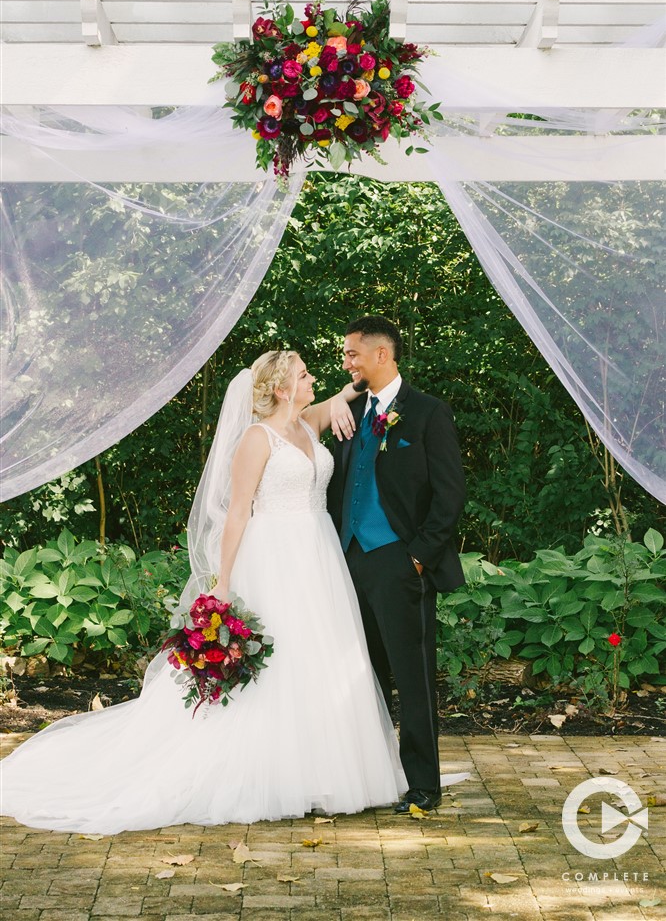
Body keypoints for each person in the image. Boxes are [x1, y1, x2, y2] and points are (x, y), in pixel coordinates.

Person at [0, 350, 407, 834]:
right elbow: (236, 513)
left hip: (319, 555)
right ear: (281, 389)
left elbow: (349, 393)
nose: (312, 377)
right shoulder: (257, 439)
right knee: (281, 662)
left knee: (323, 656)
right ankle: (273, 774)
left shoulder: (307, 424)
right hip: (275, 556)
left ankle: (325, 771)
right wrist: (224, 581)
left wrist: (347, 390)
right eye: (303, 374)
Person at [327, 315, 466, 813]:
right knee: (361, 676)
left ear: (381, 354)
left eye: (352, 354)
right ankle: (374, 778)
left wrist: (418, 557)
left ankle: (423, 783)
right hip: (347, 561)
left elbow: (450, 495)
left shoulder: (428, 413)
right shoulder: (347, 412)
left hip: (399, 562)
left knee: (412, 676)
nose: (346, 363)